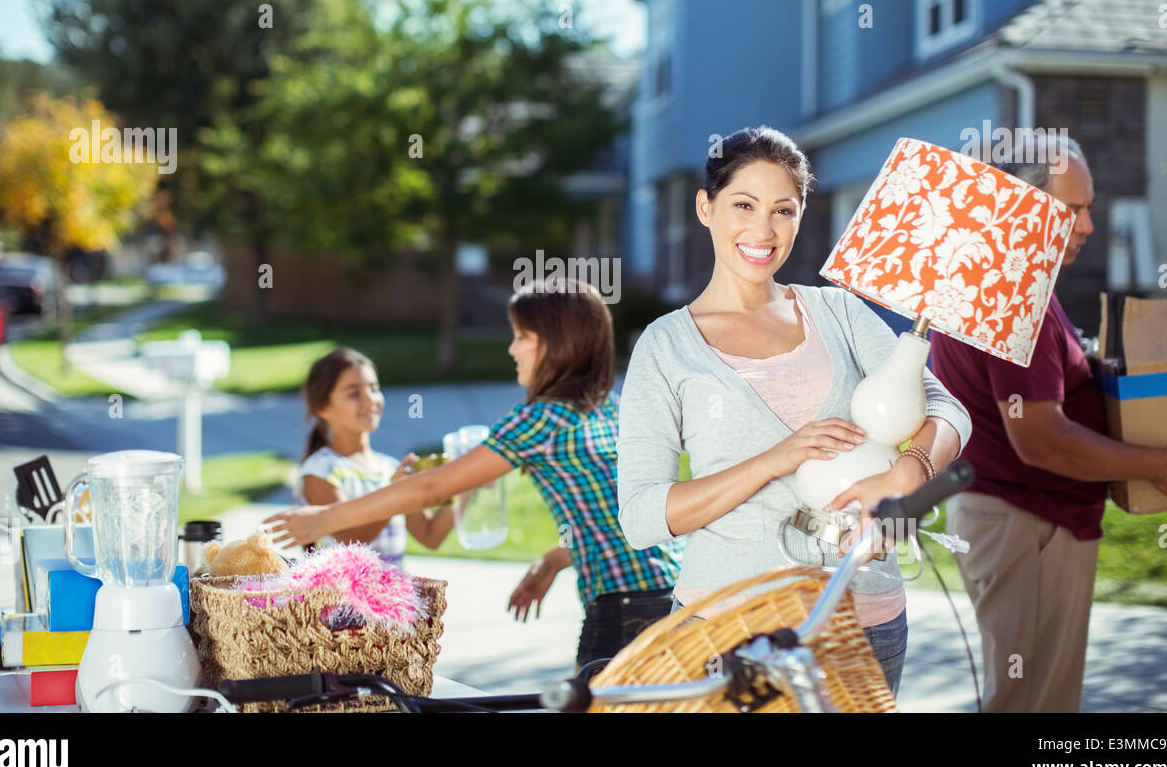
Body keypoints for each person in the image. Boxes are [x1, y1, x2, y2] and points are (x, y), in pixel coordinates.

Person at [616, 125, 972, 698]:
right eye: (743, 205)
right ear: (705, 208)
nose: (763, 230)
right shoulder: (666, 347)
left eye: (783, 209)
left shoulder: (840, 312)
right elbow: (641, 516)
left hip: (864, 622)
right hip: (727, 633)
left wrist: (904, 476)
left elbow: (948, 409)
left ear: (801, 215)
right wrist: (774, 459)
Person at [929, 132, 1167, 712]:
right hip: (1026, 521)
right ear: (1021, 202)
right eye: (1073, 210)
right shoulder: (1014, 291)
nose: (1087, 225)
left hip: (1013, 518)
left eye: (1089, 207)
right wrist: (1162, 464)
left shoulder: (990, 273)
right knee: (1035, 707)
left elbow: (1044, 389)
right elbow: (1039, 438)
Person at [266, 283, 683, 672]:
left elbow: (433, 485)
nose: (512, 348)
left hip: (626, 609)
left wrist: (323, 520)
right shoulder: (609, 408)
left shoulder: (539, 420)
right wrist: (557, 558)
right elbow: (617, 512)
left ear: (556, 347)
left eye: (522, 337)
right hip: (673, 594)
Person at [293, 347, 454, 567]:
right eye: (354, 393)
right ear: (323, 407)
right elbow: (349, 544)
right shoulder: (320, 471)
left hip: (395, 600)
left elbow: (430, 536)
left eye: (374, 388)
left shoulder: (388, 467)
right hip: (344, 600)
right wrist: (395, 494)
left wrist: (466, 489)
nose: (370, 400)